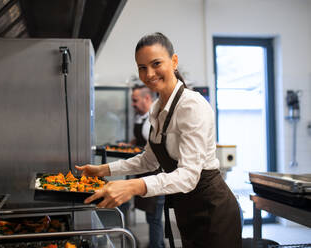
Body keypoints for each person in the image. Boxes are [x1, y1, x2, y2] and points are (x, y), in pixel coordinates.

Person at [76, 32, 242, 248]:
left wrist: (134, 186)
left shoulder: (191, 106)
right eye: (142, 67)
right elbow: (149, 160)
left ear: (174, 61)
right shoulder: (157, 108)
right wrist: (103, 170)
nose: (149, 74)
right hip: (187, 207)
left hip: (212, 208)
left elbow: (189, 176)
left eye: (156, 64)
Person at [128, 84, 165, 248]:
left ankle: (156, 245)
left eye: (135, 100)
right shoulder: (140, 117)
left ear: (147, 98)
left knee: (154, 217)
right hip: (145, 171)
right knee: (152, 216)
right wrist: (129, 145)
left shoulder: (156, 118)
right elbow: (141, 141)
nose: (133, 104)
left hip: (156, 173)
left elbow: (157, 150)